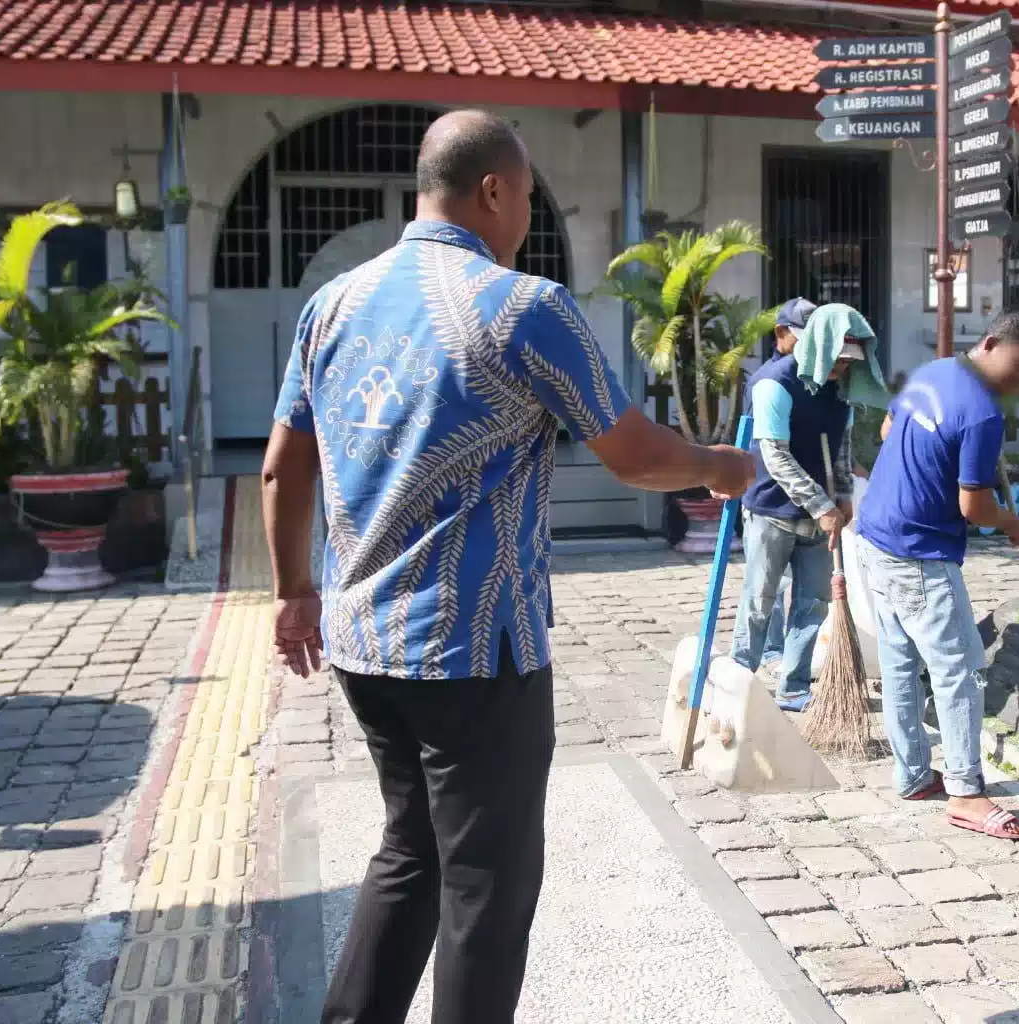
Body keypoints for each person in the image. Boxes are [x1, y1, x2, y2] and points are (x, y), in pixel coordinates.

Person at [259, 109, 752, 1024]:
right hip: (475, 652)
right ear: (493, 190)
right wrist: (724, 466)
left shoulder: (334, 303)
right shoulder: (523, 308)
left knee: (410, 854)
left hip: (365, 644)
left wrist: (295, 593)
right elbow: (637, 457)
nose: (527, 214)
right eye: (527, 195)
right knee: (487, 886)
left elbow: (284, 464)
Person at [856, 311, 1019, 841]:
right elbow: (973, 507)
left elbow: (890, 428)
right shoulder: (984, 413)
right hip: (919, 553)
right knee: (960, 670)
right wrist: (1011, 522)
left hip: (875, 536)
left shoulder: (934, 372)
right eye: (1018, 364)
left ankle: (914, 774)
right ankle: (965, 793)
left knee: (899, 663)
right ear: (988, 343)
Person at [729, 303, 878, 711]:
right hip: (770, 511)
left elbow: (843, 447)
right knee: (760, 601)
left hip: (821, 514)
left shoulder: (841, 390)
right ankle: (738, 681)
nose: (843, 367)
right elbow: (775, 456)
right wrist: (820, 505)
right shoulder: (773, 383)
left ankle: (794, 687)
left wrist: (844, 494)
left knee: (812, 604)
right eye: (838, 358)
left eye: (850, 361)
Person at [757, 298, 817, 667]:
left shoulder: (813, 378)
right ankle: (768, 653)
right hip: (771, 500)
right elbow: (757, 441)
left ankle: (790, 667)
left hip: (808, 502)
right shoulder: (769, 379)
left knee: (810, 595)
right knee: (767, 590)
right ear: (782, 333)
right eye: (803, 338)